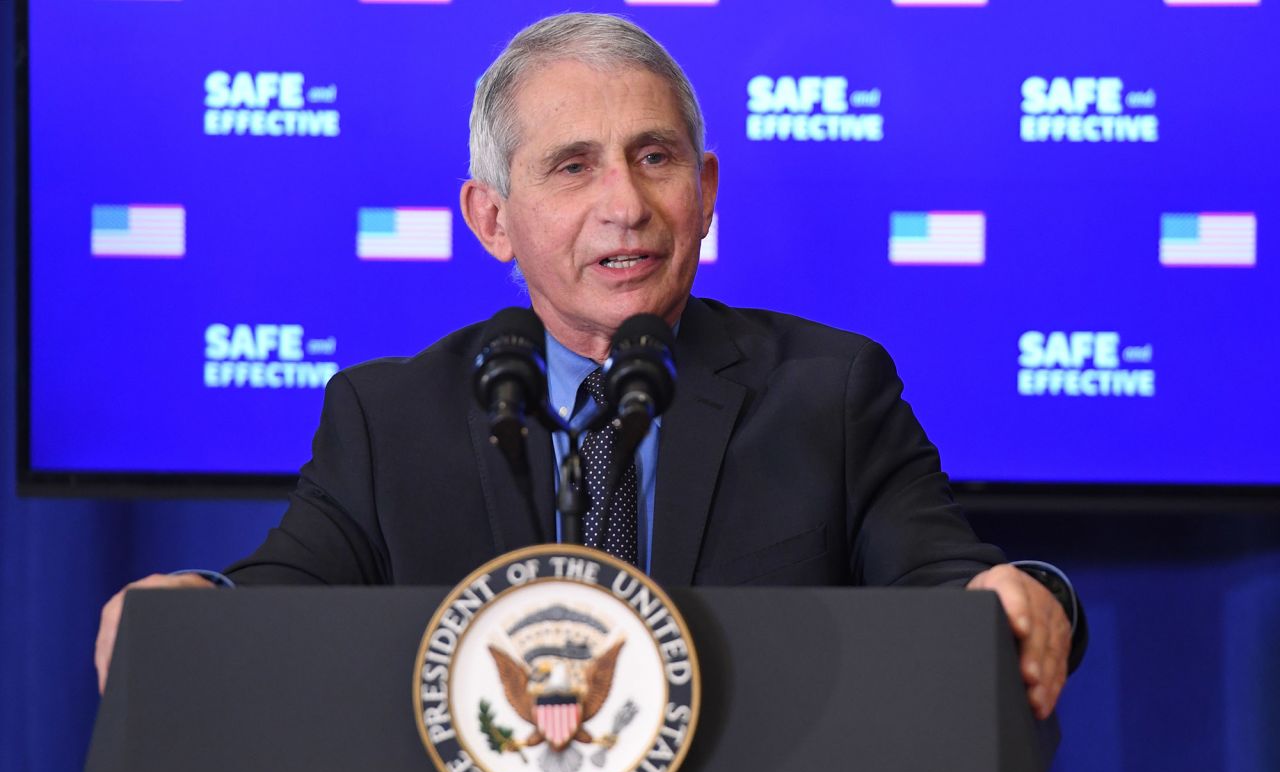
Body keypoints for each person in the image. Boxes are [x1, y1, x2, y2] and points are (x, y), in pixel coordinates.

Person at [96, 13, 1084, 720]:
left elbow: (950, 581)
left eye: (653, 158)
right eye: (573, 167)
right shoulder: (387, 415)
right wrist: (194, 615)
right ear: (491, 219)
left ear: (702, 194)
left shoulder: (829, 391)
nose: (626, 203)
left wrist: (1024, 596)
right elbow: (279, 596)